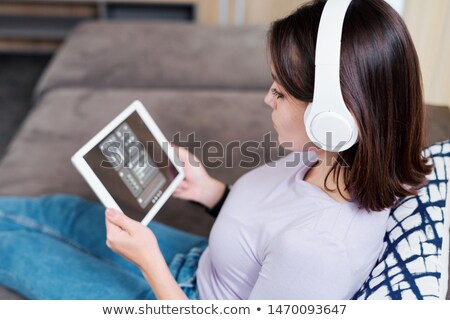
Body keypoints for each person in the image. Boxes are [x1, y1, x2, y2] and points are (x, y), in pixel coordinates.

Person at [0, 0, 433, 300]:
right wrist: (211, 192)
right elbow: (272, 226)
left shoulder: (322, 250)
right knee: (66, 212)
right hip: (202, 263)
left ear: (331, 119)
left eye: (280, 93)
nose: (267, 99)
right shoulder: (331, 154)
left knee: (16, 250)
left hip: (181, 299)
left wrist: (150, 262)